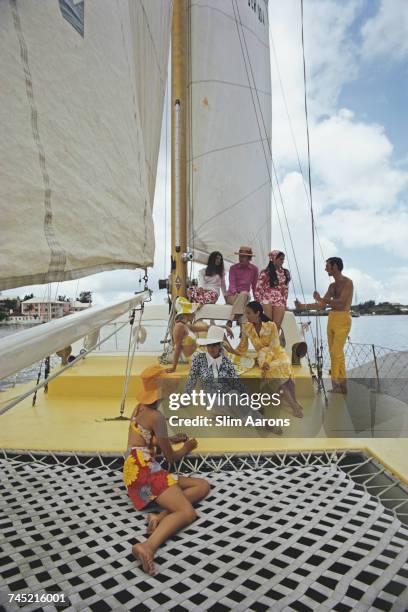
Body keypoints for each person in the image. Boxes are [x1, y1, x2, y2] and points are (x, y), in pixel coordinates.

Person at [124, 364, 210, 575]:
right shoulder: (158, 417)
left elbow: (149, 437)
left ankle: (159, 517)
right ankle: (148, 546)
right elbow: (171, 457)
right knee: (186, 512)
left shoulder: (140, 409)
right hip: (145, 473)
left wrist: (170, 438)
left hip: (134, 469)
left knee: (202, 486)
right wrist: (187, 447)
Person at [227, 302, 303, 418]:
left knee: (286, 365)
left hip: (276, 352)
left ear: (257, 313)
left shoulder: (271, 325)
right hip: (262, 355)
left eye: (249, 313)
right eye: (245, 313)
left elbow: (275, 345)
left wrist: (268, 360)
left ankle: (294, 400)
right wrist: (231, 350)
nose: (246, 315)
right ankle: (293, 405)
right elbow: (242, 347)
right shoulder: (247, 327)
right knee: (273, 371)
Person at [295, 257, 353, 393]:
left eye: (327, 266)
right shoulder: (332, 286)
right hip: (332, 318)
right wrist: (302, 306)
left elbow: (341, 302)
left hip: (343, 318)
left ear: (335, 267)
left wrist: (321, 299)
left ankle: (337, 384)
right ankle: (341, 386)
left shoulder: (348, 283)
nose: (325, 268)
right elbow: (321, 305)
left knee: (336, 352)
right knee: (336, 354)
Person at [165, 297, 233, 373]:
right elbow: (177, 347)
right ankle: (231, 354)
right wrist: (173, 367)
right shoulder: (179, 326)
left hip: (199, 353)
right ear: (186, 313)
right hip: (194, 358)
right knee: (223, 356)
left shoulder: (186, 326)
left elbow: (207, 328)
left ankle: (231, 353)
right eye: (192, 312)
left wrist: (224, 327)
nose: (194, 314)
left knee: (221, 342)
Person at [255, 250, 290, 331]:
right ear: (274, 259)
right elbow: (258, 289)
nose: (282, 261)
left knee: (276, 326)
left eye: (283, 259)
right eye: (280, 259)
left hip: (279, 300)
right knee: (268, 325)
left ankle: (274, 343)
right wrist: (258, 302)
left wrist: (284, 303)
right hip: (266, 299)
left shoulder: (285, 273)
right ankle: (266, 343)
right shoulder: (265, 272)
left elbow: (285, 290)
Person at [225, 246, 259, 327]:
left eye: (243, 256)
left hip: (245, 296)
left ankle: (230, 319)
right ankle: (243, 332)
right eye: (240, 256)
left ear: (249, 258)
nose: (240, 258)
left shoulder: (254, 269)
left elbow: (254, 287)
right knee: (244, 301)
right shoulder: (233, 268)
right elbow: (232, 284)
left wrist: (257, 300)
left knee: (244, 294)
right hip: (232, 296)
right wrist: (236, 293)